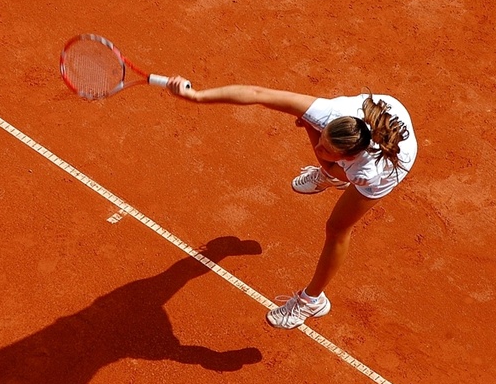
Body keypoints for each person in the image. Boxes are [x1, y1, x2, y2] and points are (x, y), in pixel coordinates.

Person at [165, 76, 418, 329]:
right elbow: (257, 91)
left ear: (348, 157)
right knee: (325, 148)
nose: (319, 147)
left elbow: (332, 167)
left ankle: (312, 301)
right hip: (386, 110)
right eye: (323, 137)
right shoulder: (331, 113)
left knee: (337, 228)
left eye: (327, 148)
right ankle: (330, 170)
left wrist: (310, 130)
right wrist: (196, 96)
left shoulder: (367, 172)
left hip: (394, 164)